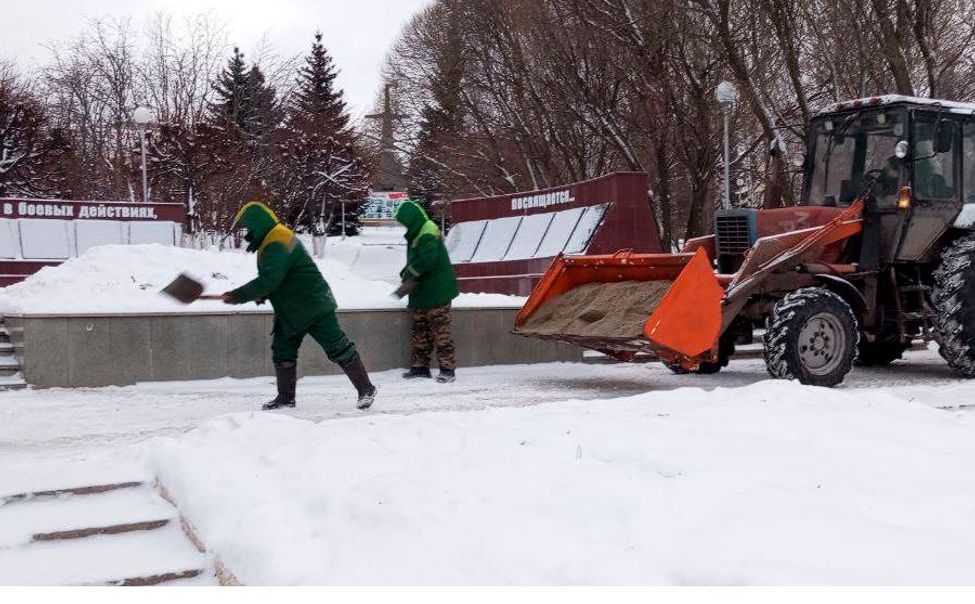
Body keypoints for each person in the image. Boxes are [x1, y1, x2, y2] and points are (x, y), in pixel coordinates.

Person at [223, 201, 377, 410]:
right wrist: (265, 294)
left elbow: (269, 279)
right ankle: (286, 399)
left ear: (257, 223)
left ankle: (366, 389)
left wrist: (238, 295)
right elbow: (282, 277)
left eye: (248, 227)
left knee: (337, 347)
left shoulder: (277, 242)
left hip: (313, 305)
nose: (247, 232)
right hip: (292, 310)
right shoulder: (274, 236)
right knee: (282, 349)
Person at [394, 200, 459, 383]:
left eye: (404, 221)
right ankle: (420, 367)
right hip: (422, 291)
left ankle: (447, 369)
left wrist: (410, 272)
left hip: (437, 291)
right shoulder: (418, 231)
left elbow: (428, 260)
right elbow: (418, 258)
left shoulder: (427, 231)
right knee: (420, 330)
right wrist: (407, 272)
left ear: (411, 219)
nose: (403, 225)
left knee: (441, 331)